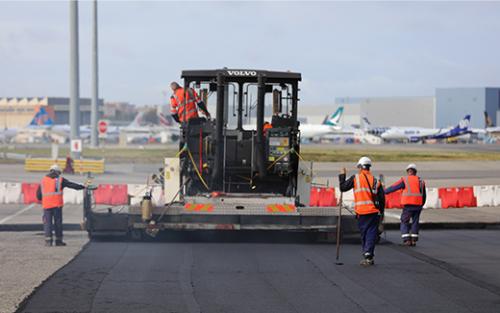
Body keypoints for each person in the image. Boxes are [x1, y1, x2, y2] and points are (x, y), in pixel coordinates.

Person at [339, 156, 385, 266]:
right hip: (374, 212)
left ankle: (367, 254)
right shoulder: (376, 181)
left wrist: (342, 175)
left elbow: (343, 188)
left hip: (362, 212)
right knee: (371, 233)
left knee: (365, 233)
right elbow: (382, 198)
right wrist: (381, 213)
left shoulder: (356, 178)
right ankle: (369, 254)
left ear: (360, 167)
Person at [36, 164, 85, 247]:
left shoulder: (43, 180)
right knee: (58, 223)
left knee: (47, 223)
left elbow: (39, 196)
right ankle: (58, 241)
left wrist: (45, 199)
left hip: (47, 206)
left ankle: (48, 241)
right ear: (58, 172)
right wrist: (83, 187)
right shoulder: (60, 180)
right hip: (57, 206)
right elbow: (72, 185)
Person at [385, 163, 426, 246]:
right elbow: (424, 194)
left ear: (408, 171)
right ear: (415, 172)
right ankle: (414, 240)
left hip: (408, 205)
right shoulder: (421, 181)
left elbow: (394, 187)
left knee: (404, 221)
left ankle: (406, 240)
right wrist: (421, 204)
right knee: (415, 222)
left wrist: (383, 192)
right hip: (418, 205)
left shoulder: (405, 179)